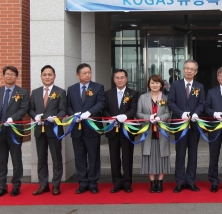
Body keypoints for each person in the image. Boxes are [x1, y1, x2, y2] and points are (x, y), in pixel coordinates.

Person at [0, 66, 29, 197]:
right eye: (7, 74)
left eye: (12, 74)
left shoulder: (22, 92)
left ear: (16, 77)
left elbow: (24, 109)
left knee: (16, 158)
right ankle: (2, 185)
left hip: (14, 129)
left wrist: (13, 118)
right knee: (1, 159)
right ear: (3, 76)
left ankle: (16, 184)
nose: (9, 76)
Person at [28, 65, 67, 196]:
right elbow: (31, 109)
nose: (47, 77)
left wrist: (55, 117)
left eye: (50, 75)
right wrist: (35, 116)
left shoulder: (60, 92)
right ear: (41, 76)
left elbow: (63, 110)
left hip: (54, 129)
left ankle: (56, 185)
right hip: (39, 130)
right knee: (41, 159)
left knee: (56, 158)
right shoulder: (35, 92)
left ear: (54, 76)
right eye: (45, 75)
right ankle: (43, 185)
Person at [167, 59, 206, 193]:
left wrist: (196, 113)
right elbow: (170, 102)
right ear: (183, 70)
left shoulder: (199, 86)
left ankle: (190, 181)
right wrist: (181, 113)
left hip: (194, 125)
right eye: (187, 68)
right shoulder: (175, 85)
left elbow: (202, 103)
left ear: (196, 72)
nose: (189, 71)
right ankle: (179, 181)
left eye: (192, 69)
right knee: (180, 154)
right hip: (180, 124)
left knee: (193, 154)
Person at [66, 63, 105, 194]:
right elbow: (68, 106)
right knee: (80, 157)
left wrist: (89, 112)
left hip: (92, 128)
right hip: (77, 128)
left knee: (93, 157)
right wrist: (74, 114)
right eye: (84, 73)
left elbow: (101, 103)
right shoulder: (71, 89)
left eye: (89, 72)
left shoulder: (98, 87)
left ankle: (93, 182)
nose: (88, 75)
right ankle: (82, 182)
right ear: (78, 75)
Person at [103, 69, 139, 193]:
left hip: (127, 130)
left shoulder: (133, 93)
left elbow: (134, 109)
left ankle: (127, 182)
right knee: (114, 157)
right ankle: (117, 183)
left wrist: (125, 116)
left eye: (122, 77)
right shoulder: (108, 93)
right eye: (117, 78)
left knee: (127, 157)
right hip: (112, 130)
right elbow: (104, 110)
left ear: (126, 79)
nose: (119, 80)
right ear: (113, 79)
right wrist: (110, 118)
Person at [136, 75, 172, 193]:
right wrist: (149, 117)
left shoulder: (165, 98)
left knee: (162, 156)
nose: (154, 85)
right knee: (149, 156)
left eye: (157, 83)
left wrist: (159, 118)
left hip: (161, 132)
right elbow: (138, 113)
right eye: (152, 83)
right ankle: (152, 183)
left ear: (161, 84)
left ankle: (160, 182)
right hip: (148, 131)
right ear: (149, 84)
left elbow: (168, 114)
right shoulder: (143, 97)